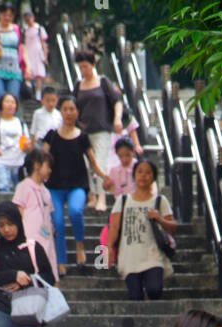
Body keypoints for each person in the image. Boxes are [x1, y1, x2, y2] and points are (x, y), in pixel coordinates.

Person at [44, 96, 113, 275]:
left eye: (72, 109)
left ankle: (80, 246)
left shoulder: (82, 137)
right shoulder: (51, 135)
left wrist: (105, 177)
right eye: (65, 109)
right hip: (55, 187)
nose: (69, 113)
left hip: (77, 185)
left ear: (77, 112)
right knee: (57, 222)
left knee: (75, 211)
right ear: (61, 112)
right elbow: (41, 159)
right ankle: (60, 261)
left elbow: (93, 163)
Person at [104, 158, 176, 301]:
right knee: (135, 296)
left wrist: (159, 218)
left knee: (154, 290)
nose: (143, 175)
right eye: (140, 172)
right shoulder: (123, 200)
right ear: (134, 176)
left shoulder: (160, 201)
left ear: (154, 177)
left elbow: (172, 226)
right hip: (130, 256)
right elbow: (114, 226)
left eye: (148, 173)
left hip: (153, 255)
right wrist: (109, 248)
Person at [73, 49, 125, 213]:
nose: (84, 70)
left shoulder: (103, 82)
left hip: (102, 130)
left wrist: (117, 119)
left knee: (100, 163)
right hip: (84, 131)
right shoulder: (78, 85)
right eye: (81, 67)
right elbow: (73, 107)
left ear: (93, 65)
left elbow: (117, 101)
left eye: (86, 66)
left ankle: (102, 197)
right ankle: (92, 195)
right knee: (87, 164)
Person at [14, 149, 58, 279]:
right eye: (47, 166)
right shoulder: (23, 187)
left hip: (46, 237)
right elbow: (19, 210)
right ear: (36, 165)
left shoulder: (46, 191)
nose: (50, 170)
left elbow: (49, 213)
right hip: (31, 237)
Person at [0, 92, 32, 194]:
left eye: (13, 102)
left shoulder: (21, 123)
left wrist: (27, 145)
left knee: (21, 192)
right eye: (7, 102)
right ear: (1, 104)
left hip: (19, 161)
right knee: (2, 188)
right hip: (1, 160)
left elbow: (26, 139)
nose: (10, 105)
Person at [20, 10, 49, 99]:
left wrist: (45, 55)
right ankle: (29, 91)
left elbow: (43, 43)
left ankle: (38, 94)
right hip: (28, 53)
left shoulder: (39, 28)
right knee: (29, 72)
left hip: (37, 52)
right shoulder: (24, 30)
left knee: (38, 73)